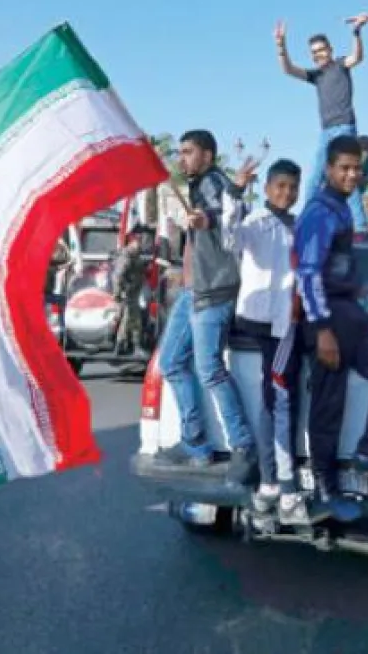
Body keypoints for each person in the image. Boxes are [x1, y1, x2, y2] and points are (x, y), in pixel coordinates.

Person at [295, 135, 368, 521]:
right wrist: (322, 329)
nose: (351, 174)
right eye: (343, 168)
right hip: (327, 317)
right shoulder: (319, 211)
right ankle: (326, 489)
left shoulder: (344, 208)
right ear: (329, 169)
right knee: (329, 407)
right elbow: (308, 274)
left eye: (356, 168)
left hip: (351, 312)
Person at [153, 130, 260, 486]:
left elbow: (224, 211)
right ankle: (196, 443)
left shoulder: (213, 183)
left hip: (213, 291)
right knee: (170, 362)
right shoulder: (200, 183)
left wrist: (208, 217)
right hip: (192, 290)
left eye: (189, 152)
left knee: (210, 370)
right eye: (180, 152)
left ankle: (244, 447)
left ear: (209, 156)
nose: (182, 158)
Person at [233, 158, 310, 526]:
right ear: (266, 189)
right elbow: (228, 237)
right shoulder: (254, 223)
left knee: (274, 402)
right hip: (271, 325)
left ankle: (268, 484)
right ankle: (286, 486)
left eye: (292, 188)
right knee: (280, 401)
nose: (286, 193)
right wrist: (235, 191)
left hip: (289, 322)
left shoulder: (298, 226)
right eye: (280, 186)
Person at [275, 15, 368, 233]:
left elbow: (357, 57)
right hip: (326, 132)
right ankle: (308, 223)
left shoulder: (340, 65)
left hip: (344, 128)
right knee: (315, 179)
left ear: (330, 49)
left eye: (321, 50)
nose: (318, 55)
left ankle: (361, 228)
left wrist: (357, 33)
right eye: (314, 53)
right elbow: (288, 70)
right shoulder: (316, 76)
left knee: (346, 176)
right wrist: (281, 46)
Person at [110, 232, 146, 357]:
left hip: (133, 291)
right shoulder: (127, 256)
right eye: (137, 242)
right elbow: (118, 276)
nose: (139, 245)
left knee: (133, 318)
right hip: (128, 292)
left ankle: (126, 346)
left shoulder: (134, 255)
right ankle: (122, 345)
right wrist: (118, 293)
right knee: (129, 319)